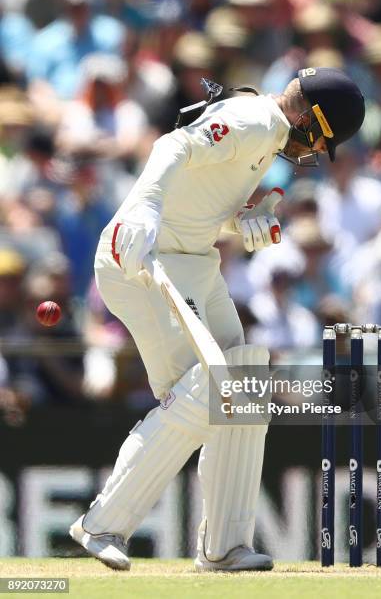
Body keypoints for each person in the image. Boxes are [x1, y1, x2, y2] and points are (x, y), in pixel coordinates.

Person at [69, 67, 365, 571]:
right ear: (310, 118)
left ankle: (225, 546)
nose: (314, 150)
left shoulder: (267, 137)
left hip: (195, 260)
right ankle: (101, 524)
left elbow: (201, 195)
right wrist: (144, 210)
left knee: (244, 382)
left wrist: (240, 220)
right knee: (210, 388)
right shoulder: (252, 118)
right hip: (144, 256)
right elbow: (172, 147)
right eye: (320, 137)